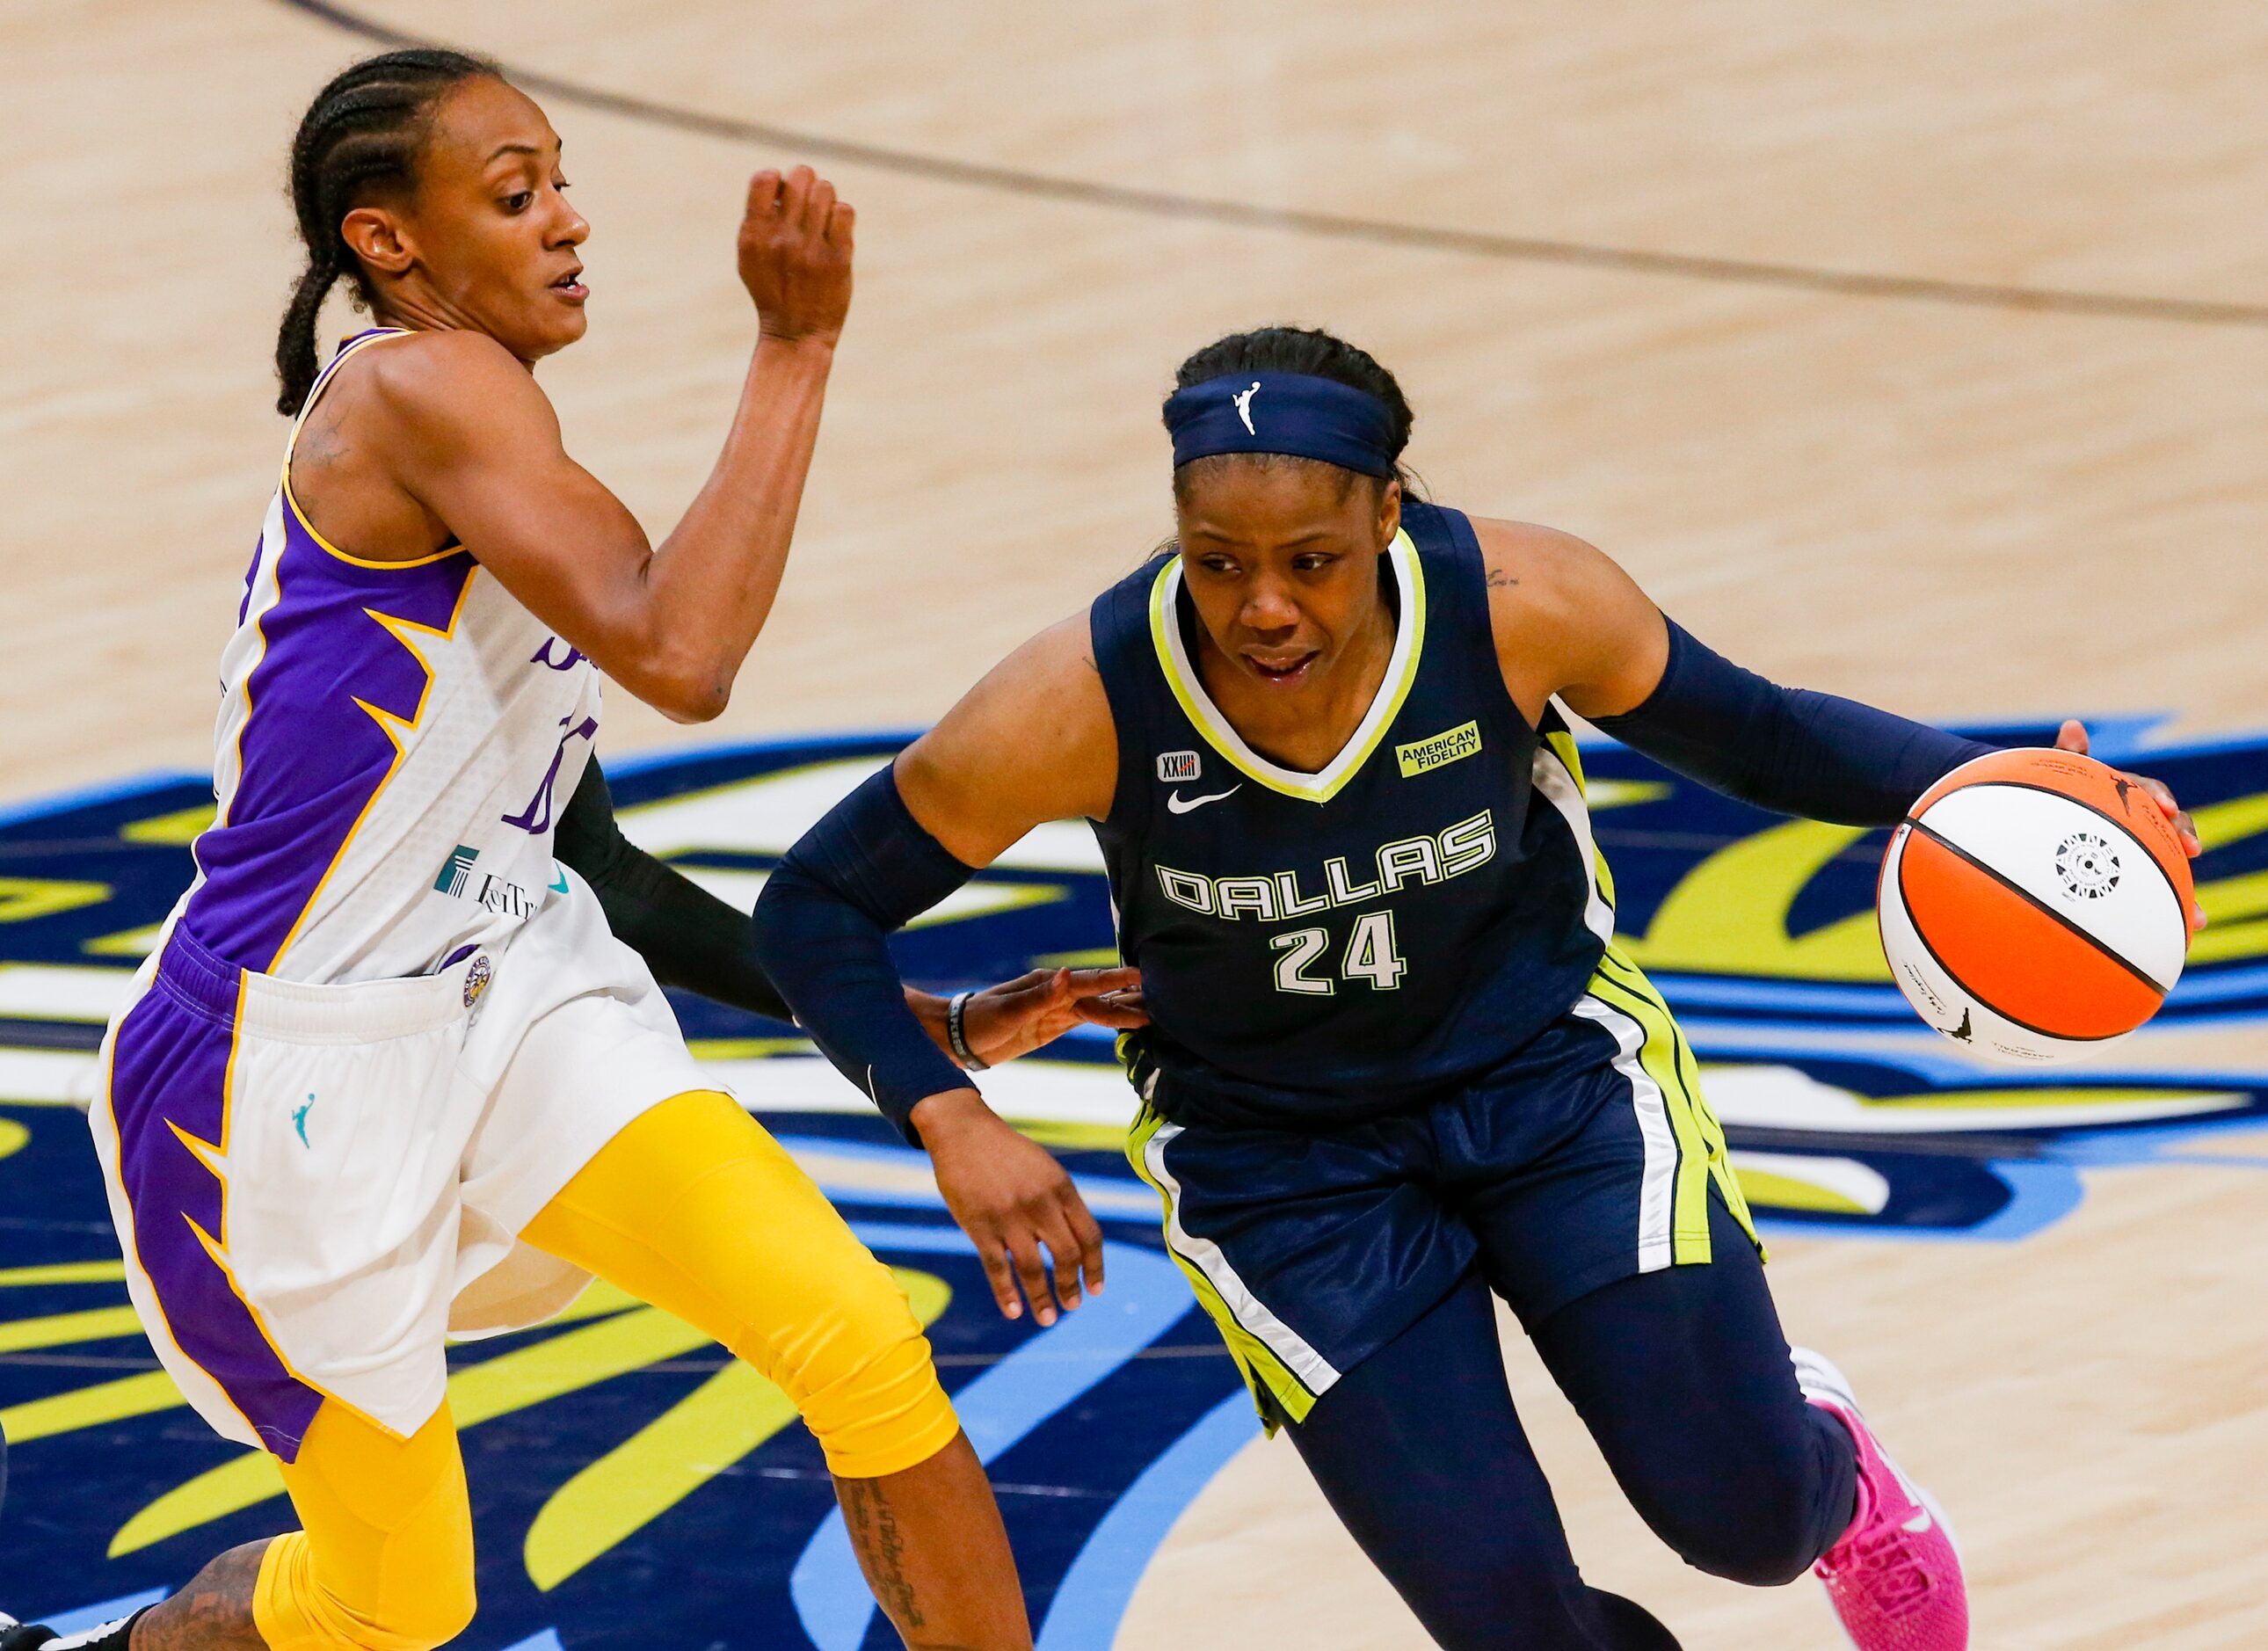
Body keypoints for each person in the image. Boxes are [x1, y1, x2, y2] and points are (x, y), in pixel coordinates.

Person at [746, 325, 2203, 1650]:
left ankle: (1840, 1475)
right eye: (1217, 560)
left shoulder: (1520, 604)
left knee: (1747, 1518)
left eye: (1310, 559)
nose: (1262, 606)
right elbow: (815, 905)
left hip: (1549, 1083)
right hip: (1283, 1167)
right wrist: (950, 1113)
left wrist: (2012, 797)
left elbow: (1760, 735)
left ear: (1389, 514)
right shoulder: (1078, 699)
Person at [0, 48, 1132, 1651]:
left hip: (507, 995)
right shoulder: (416, 389)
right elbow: (687, 653)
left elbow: (593, 862)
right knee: (395, 1605)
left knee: (856, 1332)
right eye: (516, 195)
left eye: (561, 184)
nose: (569, 224)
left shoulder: (496, 439)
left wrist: (907, 1029)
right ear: (391, 244)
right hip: (277, 1074)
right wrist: (797, 345)